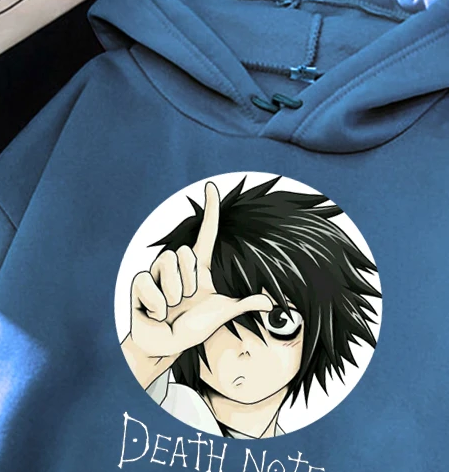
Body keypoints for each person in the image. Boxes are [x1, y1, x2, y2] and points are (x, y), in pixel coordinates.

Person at [120, 177, 381, 439]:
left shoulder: (307, 448)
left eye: (279, 320)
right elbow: (105, 415)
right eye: (219, 322)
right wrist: (144, 355)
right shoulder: (164, 406)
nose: (245, 345)